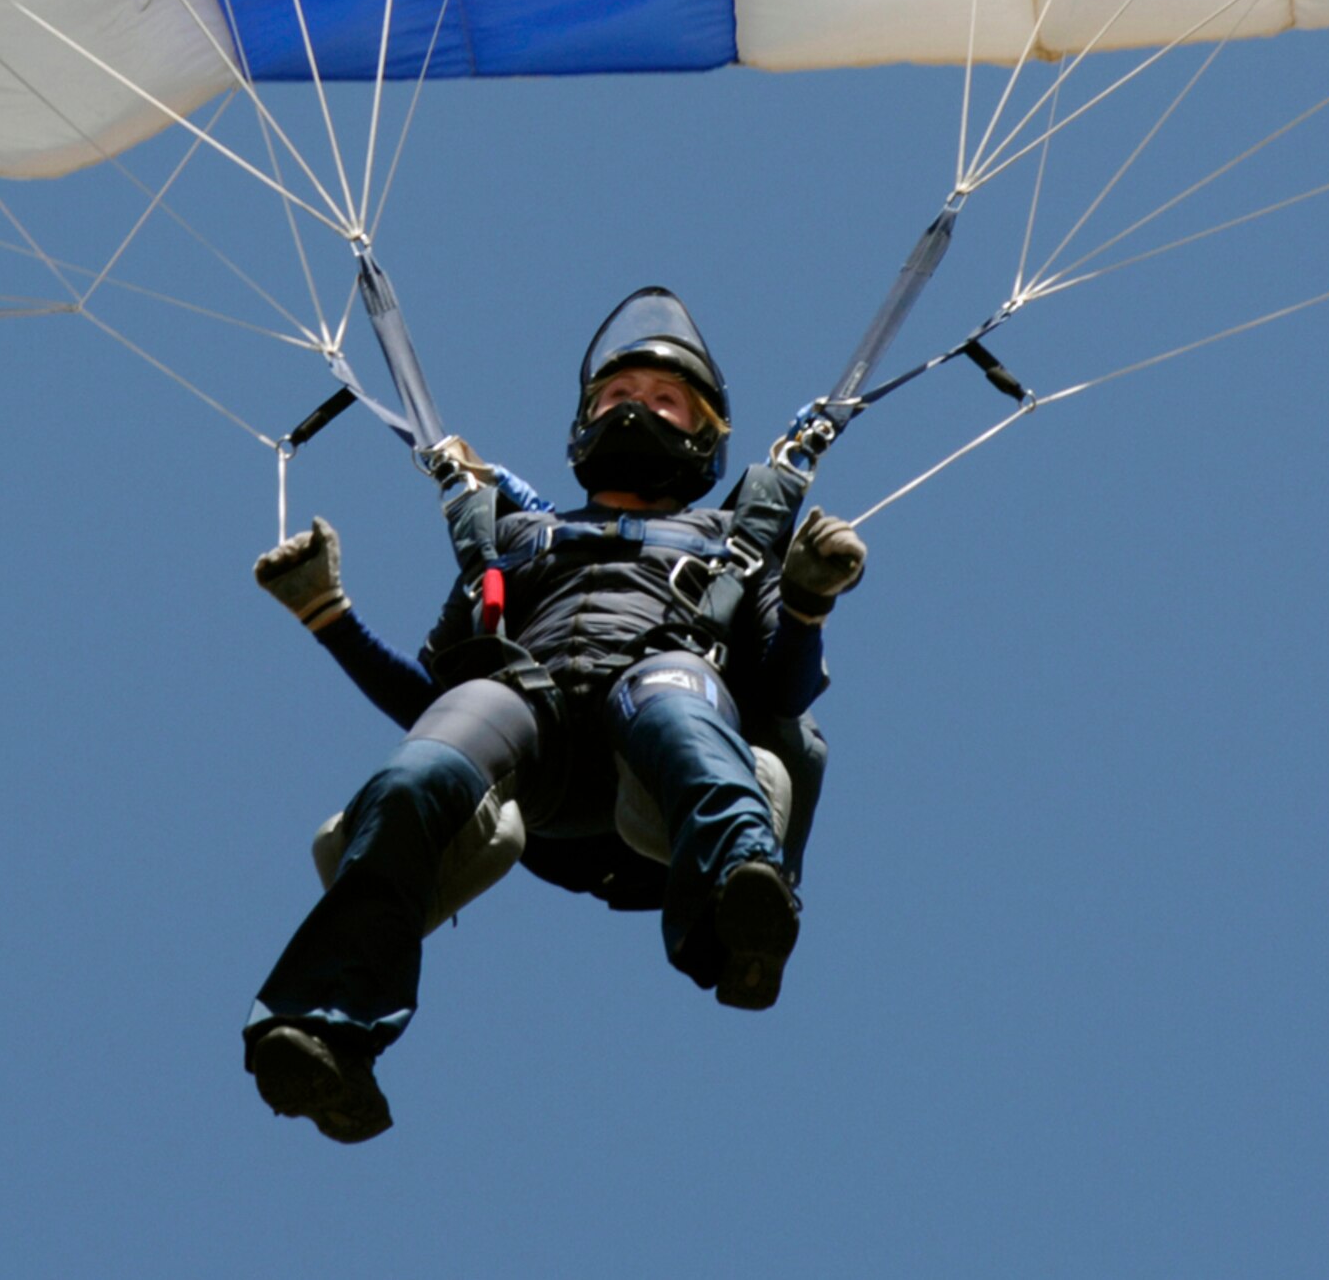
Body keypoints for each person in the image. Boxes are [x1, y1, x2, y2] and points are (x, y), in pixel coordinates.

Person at [243, 288, 868, 1143]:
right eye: (617, 397)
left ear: (699, 436)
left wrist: (803, 600)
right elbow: (430, 702)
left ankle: (741, 908)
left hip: (650, 767)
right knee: (416, 772)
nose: (635, 407)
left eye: (662, 399)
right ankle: (323, 1031)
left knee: (672, 693)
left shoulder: (732, 544)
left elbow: (781, 698)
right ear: (584, 426)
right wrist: (331, 619)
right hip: (532, 744)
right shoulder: (519, 544)